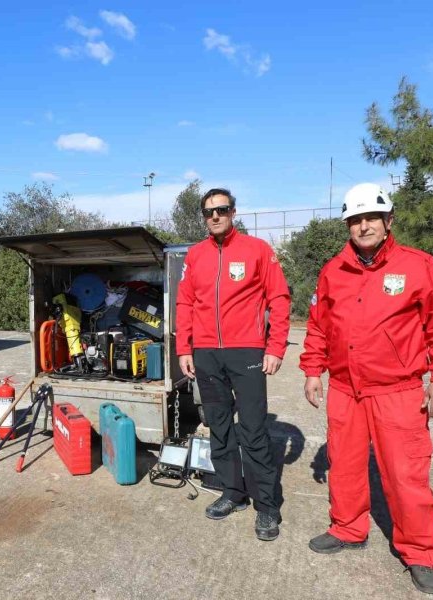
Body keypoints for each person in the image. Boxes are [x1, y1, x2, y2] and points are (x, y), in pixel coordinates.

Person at [299, 183, 433, 595]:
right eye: (355, 220)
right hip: (345, 390)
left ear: (388, 221)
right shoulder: (333, 269)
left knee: (406, 474)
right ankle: (348, 528)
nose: (363, 226)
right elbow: (319, 324)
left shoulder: (419, 265)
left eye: (371, 217)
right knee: (346, 465)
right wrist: (312, 370)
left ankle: (419, 552)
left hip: (398, 391)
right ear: (347, 225)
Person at [176, 188, 291, 541]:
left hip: (247, 351)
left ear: (233, 212)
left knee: (253, 430)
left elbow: (280, 298)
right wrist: (185, 348)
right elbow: (184, 304)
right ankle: (232, 492)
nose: (215, 216)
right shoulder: (195, 256)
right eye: (208, 211)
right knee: (219, 426)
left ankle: (267, 506)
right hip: (207, 352)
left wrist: (275, 347)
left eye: (221, 209)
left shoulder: (258, 250)